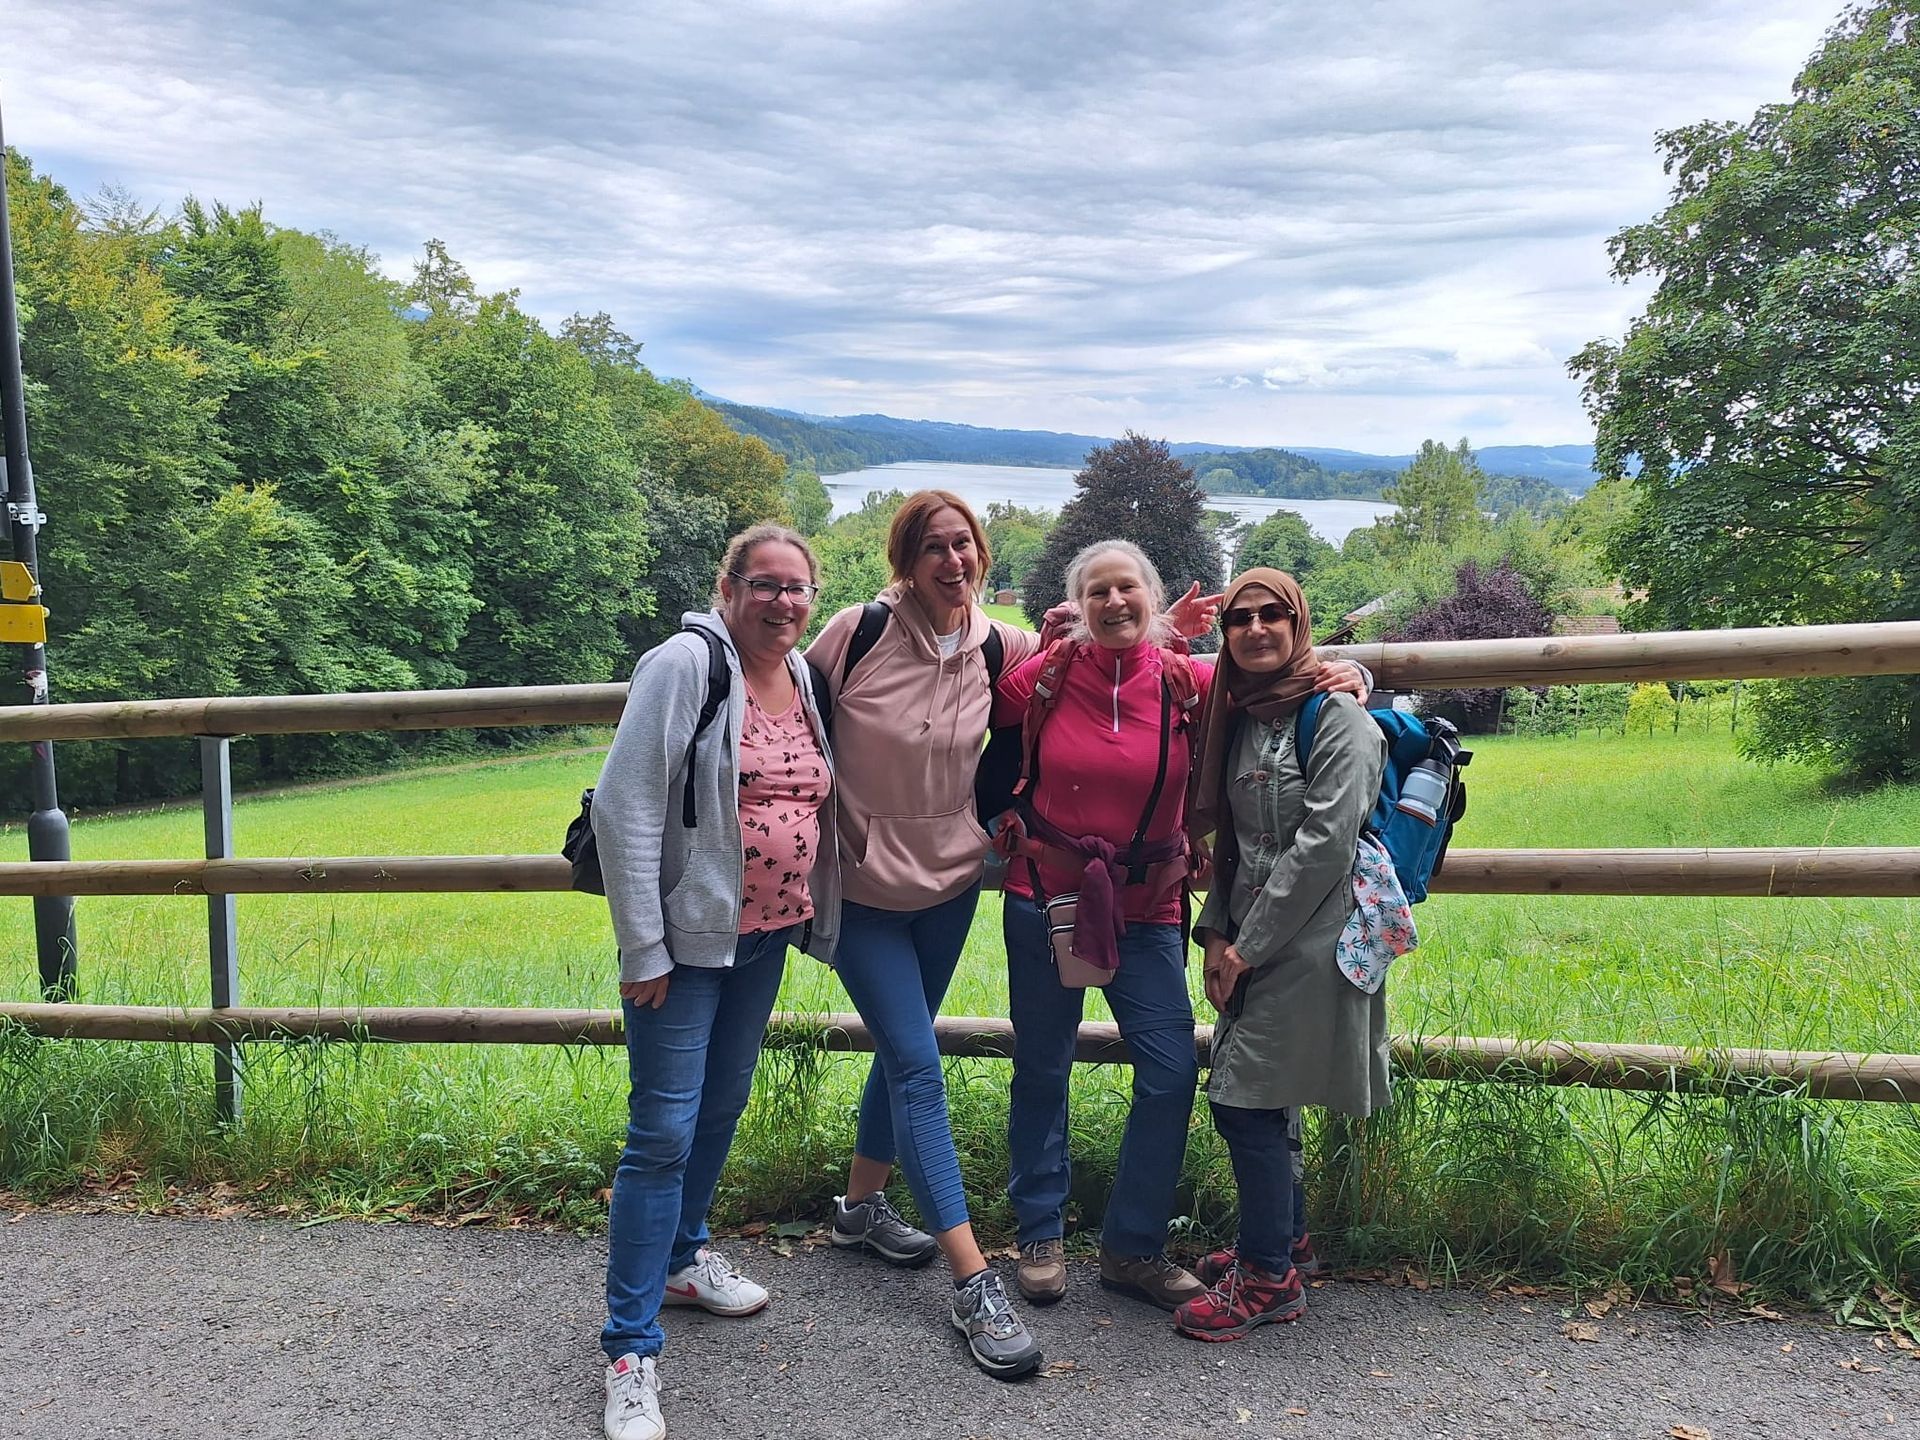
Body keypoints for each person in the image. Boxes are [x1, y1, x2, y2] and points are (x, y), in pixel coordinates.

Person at [591, 525, 839, 1440]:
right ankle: (629, 1347)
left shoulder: (804, 677)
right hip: (685, 949)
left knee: (723, 1105)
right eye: (766, 584)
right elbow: (626, 804)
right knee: (661, 1130)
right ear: (728, 585)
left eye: (799, 588)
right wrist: (643, 948)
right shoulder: (685, 663)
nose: (784, 601)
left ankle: (686, 1258)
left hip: (766, 938)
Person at [991, 540, 1210, 1313]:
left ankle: (1132, 1247)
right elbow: (975, 706)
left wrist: (1351, 676)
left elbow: (1275, 687)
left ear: (1151, 598)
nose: (1114, 603)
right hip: (1045, 895)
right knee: (1043, 1065)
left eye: (1128, 589)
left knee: (1171, 1071)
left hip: (1148, 905)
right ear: (1078, 608)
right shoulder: (1044, 677)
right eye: (1097, 594)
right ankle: (1040, 1229)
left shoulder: (1188, 680)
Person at [1173, 567, 1388, 1343]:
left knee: (1244, 1099)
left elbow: (1324, 846)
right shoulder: (1242, 716)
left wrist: (1248, 947)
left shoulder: (1339, 721)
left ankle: (1268, 1280)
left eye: (1273, 615)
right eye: (1240, 618)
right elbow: (1238, 845)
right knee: (1268, 1095)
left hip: (1317, 938)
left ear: (1299, 624)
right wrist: (1216, 934)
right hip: (1252, 933)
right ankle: (1284, 1241)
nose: (1256, 628)